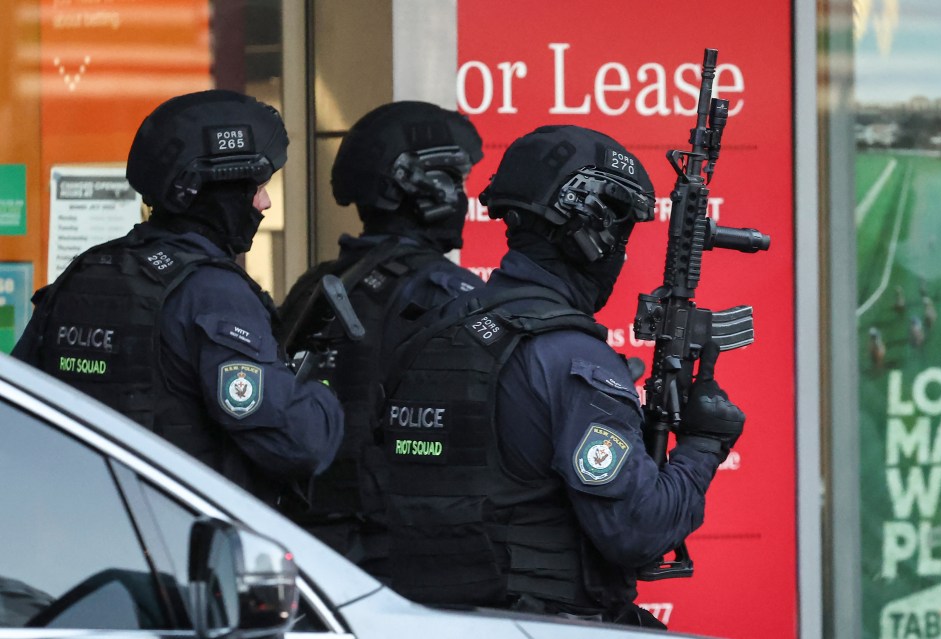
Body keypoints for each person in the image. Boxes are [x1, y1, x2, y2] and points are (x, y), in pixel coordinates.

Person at [378, 125, 746, 627]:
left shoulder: (434, 327)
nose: (621, 252)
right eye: (621, 232)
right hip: (537, 623)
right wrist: (704, 446)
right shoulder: (570, 358)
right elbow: (636, 529)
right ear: (590, 231)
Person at [13, 89, 343, 504]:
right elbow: (297, 444)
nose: (264, 202)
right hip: (177, 545)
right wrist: (323, 389)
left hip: (76, 538)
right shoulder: (213, 294)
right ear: (213, 190)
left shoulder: (86, 272)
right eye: (255, 187)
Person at [276, 100, 484, 572]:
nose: (462, 197)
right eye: (455, 180)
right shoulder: (444, 290)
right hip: (402, 550)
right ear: (419, 187)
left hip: (313, 537)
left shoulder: (320, 282)